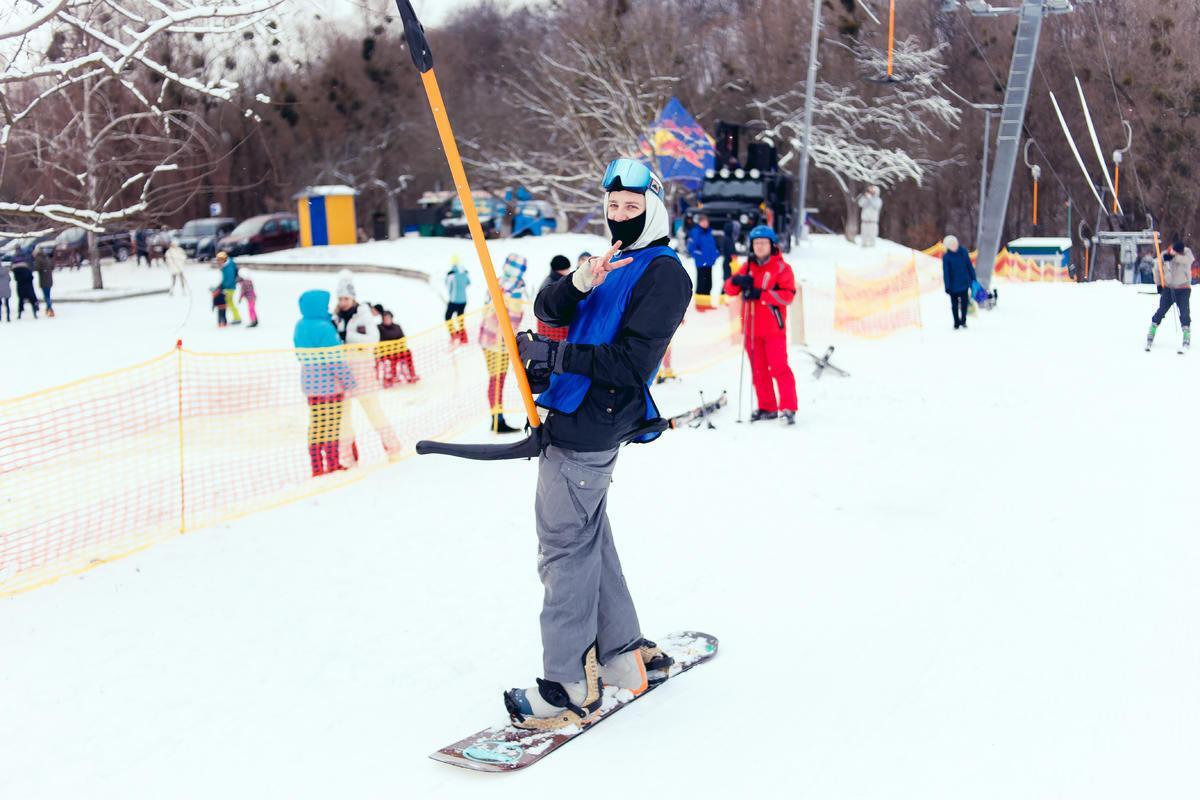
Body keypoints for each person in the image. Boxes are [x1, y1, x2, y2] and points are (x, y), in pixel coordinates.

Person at [505, 159, 690, 730]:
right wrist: (578, 283)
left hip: (592, 419)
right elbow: (549, 311)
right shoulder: (612, 261)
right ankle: (623, 656)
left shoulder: (664, 274)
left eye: (632, 208)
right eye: (612, 207)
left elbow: (632, 364)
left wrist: (557, 357)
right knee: (589, 539)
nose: (620, 215)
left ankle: (566, 685)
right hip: (575, 413)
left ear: (654, 209)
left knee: (563, 548)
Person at [724, 225, 798, 423]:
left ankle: (788, 408)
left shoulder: (782, 268)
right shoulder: (748, 266)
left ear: (772, 245)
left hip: (773, 328)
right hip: (751, 328)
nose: (759, 247)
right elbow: (729, 289)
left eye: (763, 243)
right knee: (758, 370)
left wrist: (762, 295)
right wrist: (738, 280)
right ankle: (767, 407)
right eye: (756, 243)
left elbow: (788, 296)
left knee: (779, 368)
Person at [333, 270, 401, 464]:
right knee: (343, 418)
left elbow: (373, 339)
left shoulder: (362, 314)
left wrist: (349, 337)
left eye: (346, 298)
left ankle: (392, 447)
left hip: (363, 372)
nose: (343, 302)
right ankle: (347, 456)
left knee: (374, 412)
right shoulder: (336, 316)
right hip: (343, 374)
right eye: (340, 298)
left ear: (353, 297)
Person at [293, 289, 355, 477]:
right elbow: (336, 360)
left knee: (316, 425)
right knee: (331, 425)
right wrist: (350, 382)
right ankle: (333, 462)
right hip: (330, 386)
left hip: (310, 386)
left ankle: (317, 466)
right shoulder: (324, 327)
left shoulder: (300, 325)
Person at [479, 254, 527, 433]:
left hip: (487, 336)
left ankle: (496, 418)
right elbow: (513, 318)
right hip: (498, 340)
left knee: (495, 379)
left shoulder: (498, 281)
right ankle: (497, 420)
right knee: (498, 379)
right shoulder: (515, 288)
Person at [1146, 239, 1194, 352]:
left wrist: (1174, 257)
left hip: (1183, 288)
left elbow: (1189, 260)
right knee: (1161, 311)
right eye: (1175, 252)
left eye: (1179, 253)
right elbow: (1157, 270)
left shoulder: (1187, 252)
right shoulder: (1163, 255)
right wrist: (1158, 284)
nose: (1178, 254)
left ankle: (1186, 334)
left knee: (1185, 313)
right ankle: (1152, 329)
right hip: (1168, 288)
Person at [375, 305, 419, 386]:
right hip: (386, 352)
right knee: (391, 358)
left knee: (408, 352)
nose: (387, 320)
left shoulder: (397, 327)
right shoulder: (379, 328)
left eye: (388, 318)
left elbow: (403, 338)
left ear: (391, 318)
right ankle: (392, 377)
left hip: (398, 350)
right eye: (385, 318)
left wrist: (399, 346)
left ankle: (411, 374)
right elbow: (378, 340)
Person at [686, 214, 721, 311]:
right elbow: (691, 248)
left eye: (706, 222)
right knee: (701, 283)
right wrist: (700, 256)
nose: (705, 223)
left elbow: (713, 247)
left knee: (709, 283)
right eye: (703, 221)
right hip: (701, 263)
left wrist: (716, 254)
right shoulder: (696, 232)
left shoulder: (709, 233)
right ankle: (700, 304)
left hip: (709, 263)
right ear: (700, 222)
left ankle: (707, 303)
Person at [535, 255, 573, 341]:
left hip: (552, 325)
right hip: (552, 327)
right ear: (560, 269)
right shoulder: (552, 284)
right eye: (566, 269)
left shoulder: (558, 280)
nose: (568, 271)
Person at [941, 235, 976, 330]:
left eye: (955, 243)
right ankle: (956, 322)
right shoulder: (946, 257)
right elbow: (946, 272)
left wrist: (973, 279)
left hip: (964, 283)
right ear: (948, 246)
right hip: (953, 286)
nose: (954, 245)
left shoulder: (963, 252)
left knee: (965, 303)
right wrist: (947, 286)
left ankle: (963, 321)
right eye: (951, 245)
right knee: (954, 305)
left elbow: (969, 266)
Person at [444, 254, 470, 344]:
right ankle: (463, 338)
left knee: (447, 317)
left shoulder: (451, 274)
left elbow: (448, 286)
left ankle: (454, 335)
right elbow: (468, 283)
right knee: (460, 319)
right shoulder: (464, 272)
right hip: (463, 300)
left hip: (454, 300)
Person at [216, 251, 242, 325]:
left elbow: (230, 279)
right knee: (229, 303)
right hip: (227, 287)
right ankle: (234, 317)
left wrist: (224, 286)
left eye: (219, 260)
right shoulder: (225, 266)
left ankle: (237, 318)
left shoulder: (229, 266)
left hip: (230, 288)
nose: (218, 262)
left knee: (230, 303)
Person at [34, 247, 54, 317]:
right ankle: (48, 308)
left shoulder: (38, 259)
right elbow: (52, 266)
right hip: (49, 279)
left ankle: (50, 309)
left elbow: (36, 268)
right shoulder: (47, 258)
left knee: (46, 296)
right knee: (48, 295)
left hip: (43, 279)